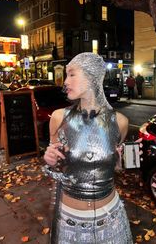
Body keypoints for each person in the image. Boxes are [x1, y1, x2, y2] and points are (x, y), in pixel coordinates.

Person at [43, 52, 134, 244]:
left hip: (111, 221)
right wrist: (50, 160)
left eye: (72, 74)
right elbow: (57, 166)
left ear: (92, 77)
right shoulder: (59, 118)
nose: (65, 81)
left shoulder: (120, 122)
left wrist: (121, 161)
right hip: (70, 222)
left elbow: (114, 169)